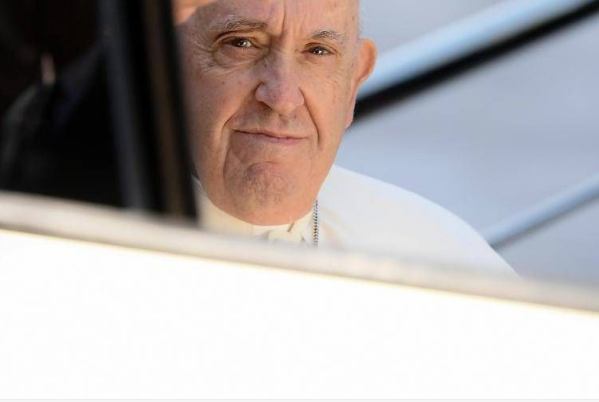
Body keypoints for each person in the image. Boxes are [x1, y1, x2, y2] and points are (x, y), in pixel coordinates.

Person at [175, 0, 514, 275]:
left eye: (318, 51)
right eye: (241, 44)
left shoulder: (447, 257)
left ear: (354, 81)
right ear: (164, 63)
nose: (282, 97)